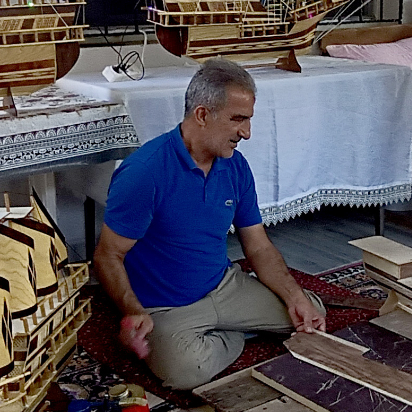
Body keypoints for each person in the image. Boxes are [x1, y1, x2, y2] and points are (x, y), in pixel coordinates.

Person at [94, 58, 327, 390]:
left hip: (223, 285)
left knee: (309, 313)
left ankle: (224, 332)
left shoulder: (235, 166)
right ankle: (232, 334)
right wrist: (131, 310)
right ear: (202, 115)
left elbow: (257, 244)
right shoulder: (144, 172)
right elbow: (107, 256)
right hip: (168, 304)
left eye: (248, 120)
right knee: (184, 372)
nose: (246, 133)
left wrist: (293, 296)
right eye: (238, 120)